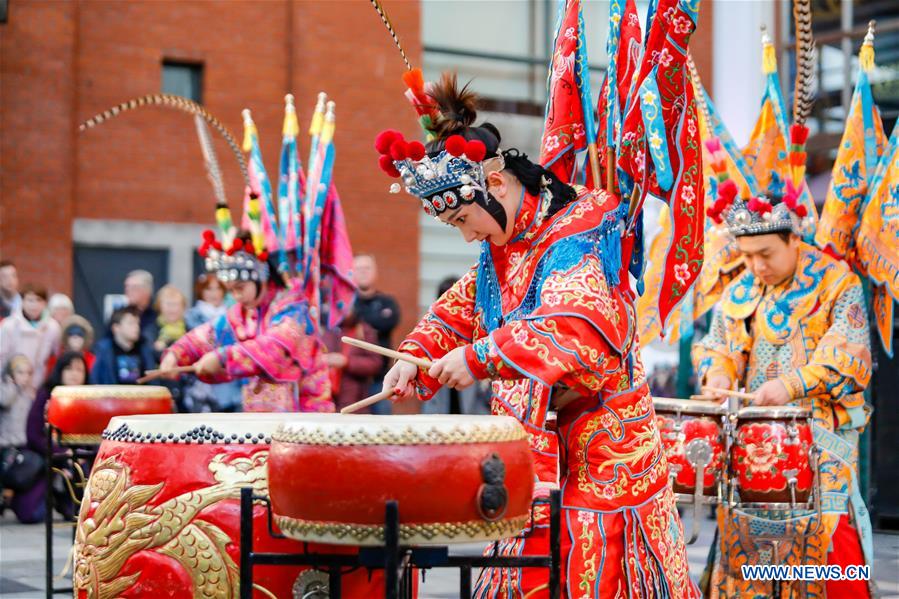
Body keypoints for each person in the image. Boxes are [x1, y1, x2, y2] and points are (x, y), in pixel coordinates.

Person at [378, 74, 697, 597]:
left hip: (604, 455)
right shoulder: (505, 245)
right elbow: (462, 305)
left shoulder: (584, 223)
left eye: (464, 218)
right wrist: (415, 354)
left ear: (496, 185)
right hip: (531, 455)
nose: (468, 235)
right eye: (454, 225)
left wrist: (481, 357)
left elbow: (576, 325)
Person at [694, 183, 873, 598]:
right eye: (748, 255)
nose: (756, 266)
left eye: (766, 254)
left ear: (794, 238)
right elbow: (718, 346)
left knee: (828, 536)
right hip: (754, 438)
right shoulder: (741, 288)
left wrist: (791, 385)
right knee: (743, 538)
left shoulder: (836, 283)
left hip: (821, 437)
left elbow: (850, 359)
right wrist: (718, 375)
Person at [161, 230, 333, 413]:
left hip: (304, 411)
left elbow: (274, 347)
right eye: (231, 291)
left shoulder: (292, 307)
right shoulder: (242, 313)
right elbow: (207, 335)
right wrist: (176, 354)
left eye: (240, 288)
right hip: (260, 415)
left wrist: (222, 357)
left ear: (261, 277)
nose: (236, 296)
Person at [23, 351, 89, 523]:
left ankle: (67, 500)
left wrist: (79, 454)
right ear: (60, 371)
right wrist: (62, 453)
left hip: (77, 459)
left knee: (80, 514)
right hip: (48, 456)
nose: (74, 374)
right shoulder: (46, 394)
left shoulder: (89, 398)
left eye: (79, 370)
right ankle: (52, 493)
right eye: (69, 369)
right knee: (31, 514)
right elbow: (33, 434)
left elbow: (94, 437)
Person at [182, 273, 242, 412]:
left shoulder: (234, 315)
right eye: (209, 289)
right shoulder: (192, 316)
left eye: (217, 288)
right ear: (201, 291)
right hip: (202, 384)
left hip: (231, 383)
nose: (213, 293)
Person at [352, 254, 400, 414]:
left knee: (383, 429)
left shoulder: (388, 302)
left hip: (380, 380)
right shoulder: (344, 304)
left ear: (376, 272)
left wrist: (360, 323)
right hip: (350, 381)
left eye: (367, 268)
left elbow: (389, 322)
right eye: (358, 269)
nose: (363, 272)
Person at [0, 355, 41, 523]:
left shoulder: (29, 392)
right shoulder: (7, 389)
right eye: (20, 373)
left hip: (21, 443)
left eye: (28, 373)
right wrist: (13, 386)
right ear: (11, 374)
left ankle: (9, 496)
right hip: (5, 442)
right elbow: (5, 401)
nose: (24, 377)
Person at [0, 284, 61, 389]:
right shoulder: (9, 325)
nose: (34, 305)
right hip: (10, 386)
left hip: (38, 387)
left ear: (45, 303)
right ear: (22, 302)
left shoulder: (53, 327)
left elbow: (56, 356)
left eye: (39, 300)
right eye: (30, 300)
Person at [321, 311, 382, 412]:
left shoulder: (363, 331)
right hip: (328, 395)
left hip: (355, 398)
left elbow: (375, 363)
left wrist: (347, 362)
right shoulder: (329, 330)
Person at [90, 306, 156, 385]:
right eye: (131, 323)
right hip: (111, 396)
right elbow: (95, 380)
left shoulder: (145, 350)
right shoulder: (103, 351)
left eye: (137, 323)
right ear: (116, 328)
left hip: (141, 396)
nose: (136, 327)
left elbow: (153, 381)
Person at [123, 269, 158, 343]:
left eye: (133, 287)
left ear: (147, 290)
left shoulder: (159, 314)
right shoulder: (120, 314)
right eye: (126, 286)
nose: (128, 290)